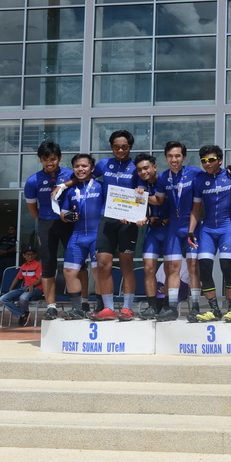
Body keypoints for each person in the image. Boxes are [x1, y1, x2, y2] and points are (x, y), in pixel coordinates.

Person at [90, 130, 141, 321]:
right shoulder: (103, 164)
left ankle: (127, 308)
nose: (120, 150)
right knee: (103, 263)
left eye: (124, 147)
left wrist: (138, 212)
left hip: (128, 221)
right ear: (111, 147)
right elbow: (85, 177)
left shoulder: (136, 166)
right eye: (116, 147)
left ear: (130, 147)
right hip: (107, 219)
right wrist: (63, 185)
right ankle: (108, 308)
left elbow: (142, 191)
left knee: (127, 264)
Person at [149, 141, 202, 321]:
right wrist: (139, 196)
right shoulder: (163, 177)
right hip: (173, 227)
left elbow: (209, 183)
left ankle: (195, 307)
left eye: (177, 156)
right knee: (172, 267)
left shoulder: (195, 173)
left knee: (193, 267)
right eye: (170, 156)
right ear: (166, 157)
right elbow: (158, 200)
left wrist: (229, 171)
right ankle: (172, 307)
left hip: (192, 226)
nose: (174, 159)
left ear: (184, 157)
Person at [188, 145, 231, 322]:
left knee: (227, 267)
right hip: (208, 229)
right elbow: (196, 209)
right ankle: (214, 310)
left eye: (211, 160)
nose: (207, 163)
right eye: (203, 161)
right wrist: (191, 230)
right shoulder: (199, 180)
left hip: (227, 227)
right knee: (204, 268)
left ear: (220, 160)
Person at [25, 141, 75, 321]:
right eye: (45, 159)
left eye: (53, 159)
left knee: (76, 263)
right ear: (40, 160)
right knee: (48, 264)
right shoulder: (33, 180)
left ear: (59, 158)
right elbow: (32, 207)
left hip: (68, 223)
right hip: (46, 224)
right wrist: (43, 219)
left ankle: (80, 304)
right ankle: (51, 307)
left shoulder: (69, 174)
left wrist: (63, 185)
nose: (49, 163)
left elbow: (80, 179)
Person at [60, 154, 104, 320]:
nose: (80, 169)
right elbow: (62, 213)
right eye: (77, 166)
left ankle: (101, 307)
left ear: (92, 168)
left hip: (97, 235)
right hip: (77, 236)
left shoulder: (101, 186)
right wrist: (67, 216)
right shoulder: (70, 190)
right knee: (69, 271)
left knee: (98, 271)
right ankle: (77, 309)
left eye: (84, 166)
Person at [134, 153, 170, 319]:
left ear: (154, 167)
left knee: (170, 269)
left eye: (146, 168)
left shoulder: (166, 181)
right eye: (140, 170)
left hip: (169, 229)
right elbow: (139, 209)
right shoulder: (141, 186)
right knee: (148, 268)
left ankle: (167, 305)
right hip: (153, 231)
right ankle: (152, 306)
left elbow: (172, 203)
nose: (143, 172)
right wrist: (143, 218)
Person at [0, 246, 42, 327]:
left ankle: (23, 315)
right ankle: (22, 314)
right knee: (3, 298)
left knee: (23, 298)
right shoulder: (23, 266)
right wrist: (11, 289)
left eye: (32, 254)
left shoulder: (38, 265)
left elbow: (41, 279)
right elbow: (17, 278)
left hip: (36, 288)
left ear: (36, 255)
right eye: (28, 254)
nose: (30, 256)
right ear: (24, 255)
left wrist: (32, 285)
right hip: (25, 288)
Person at [0, 225, 16, 294]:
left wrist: (7, 251)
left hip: (10, 258)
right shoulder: (4, 238)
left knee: (9, 273)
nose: (10, 230)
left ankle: (8, 289)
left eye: (11, 229)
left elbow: (16, 247)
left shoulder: (16, 238)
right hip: (2, 258)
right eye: (9, 229)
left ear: (15, 230)